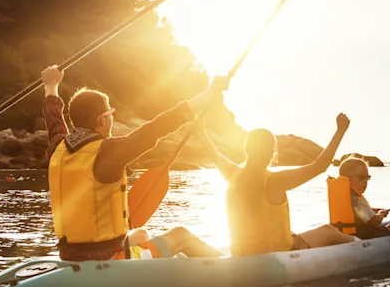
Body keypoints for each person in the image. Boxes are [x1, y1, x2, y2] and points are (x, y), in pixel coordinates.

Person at [41, 65, 226, 261]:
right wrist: (210, 92)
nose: (112, 120)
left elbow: (53, 118)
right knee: (181, 235)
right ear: (102, 120)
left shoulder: (58, 147)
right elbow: (157, 128)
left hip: (70, 256)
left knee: (139, 234)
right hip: (111, 260)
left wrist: (51, 85)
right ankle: (230, 266)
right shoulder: (108, 152)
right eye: (110, 115)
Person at [195, 113, 358, 256]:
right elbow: (319, 166)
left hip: (240, 253)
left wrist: (200, 130)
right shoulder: (275, 181)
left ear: (246, 149)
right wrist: (340, 131)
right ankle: (364, 245)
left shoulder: (232, 173)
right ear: (272, 152)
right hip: (279, 255)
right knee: (328, 231)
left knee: (294, 234)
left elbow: (213, 152)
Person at [329, 157, 390, 239]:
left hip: (350, 237)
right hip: (365, 239)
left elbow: (357, 215)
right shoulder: (357, 201)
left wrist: (373, 210)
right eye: (361, 177)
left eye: (367, 177)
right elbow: (374, 222)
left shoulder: (349, 199)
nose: (365, 181)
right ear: (348, 180)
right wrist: (381, 214)